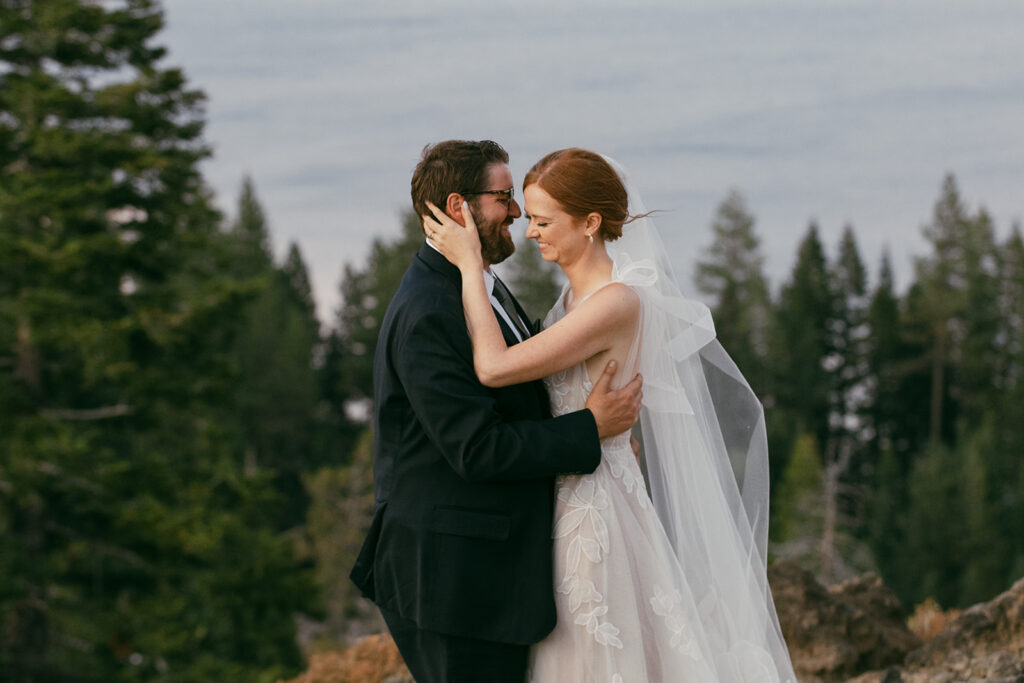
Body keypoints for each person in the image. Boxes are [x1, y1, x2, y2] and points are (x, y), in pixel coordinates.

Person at [426, 148, 797, 682]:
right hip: (568, 500)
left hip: (595, 515)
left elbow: (493, 366)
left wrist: (467, 263)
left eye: (545, 221)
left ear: (591, 222)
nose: (530, 233)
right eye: (529, 218)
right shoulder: (571, 303)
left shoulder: (615, 302)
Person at [349, 140, 644, 683]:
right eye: (505, 198)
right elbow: (478, 449)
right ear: (461, 207)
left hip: (492, 570)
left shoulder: (476, 283)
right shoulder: (430, 312)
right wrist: (591, 426)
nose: (517, 213)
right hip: (452, 582)